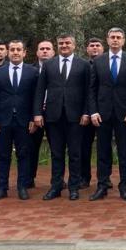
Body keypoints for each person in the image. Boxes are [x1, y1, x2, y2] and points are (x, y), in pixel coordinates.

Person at [33, 33, 91, 200]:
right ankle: (56, 186)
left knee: (75, 153)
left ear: (74, 45)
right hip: (53, 116)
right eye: (61, 43)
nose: (64, 46)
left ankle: (74, 187)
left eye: (67, 43)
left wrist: (86, 112)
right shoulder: (48, 65)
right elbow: (40, 90)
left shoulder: (84, 65)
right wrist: (37, 113)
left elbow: (89, 91)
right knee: (56, 153)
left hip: (76, 117)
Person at [88, 27, 126, 201]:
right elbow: (92, 89)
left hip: (124, 114)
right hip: (102, 114)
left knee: (124, 152)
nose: (115, 40)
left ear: (123, 40)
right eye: (112, 37)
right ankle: (102, 186)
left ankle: (124, 187)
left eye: (118, 37)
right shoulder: (98, 61)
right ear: (107, 40)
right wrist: (93, 111)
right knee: (102, 151)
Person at [0, 39, 38, 200]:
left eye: (18, 50)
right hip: (3, 121)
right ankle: (2, 188)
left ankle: (22, 187)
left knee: (24, 154)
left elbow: (36, 97)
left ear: (24, 53)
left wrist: (33, 118)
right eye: (12, 50)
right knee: (3, 155)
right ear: (8, 52)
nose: (15, 52)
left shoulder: (33, 72)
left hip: (24, 121)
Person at [25, 39, 55, 189]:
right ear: (37, 52)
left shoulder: (58, 69)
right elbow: (27, 95)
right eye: (42, 48)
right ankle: (29, 178)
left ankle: (57, 180)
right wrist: (33, 115)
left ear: (53, 52)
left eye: (48, 49)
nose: (44, 51)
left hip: (54, 114)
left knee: (56, 148)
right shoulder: (30, 71)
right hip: (34, 115)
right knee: (31, 148)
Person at [80, 36, 104, 188]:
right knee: (84, 147)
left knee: (104, 147)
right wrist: (86, 112)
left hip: (103, 113)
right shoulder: (82, 66)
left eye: (97, 45)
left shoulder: (107, 64)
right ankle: (84, 177)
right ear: (87, 49)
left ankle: (104, 178)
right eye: (92, 45)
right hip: (85, 114)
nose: (94, 48)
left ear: (103, 48)